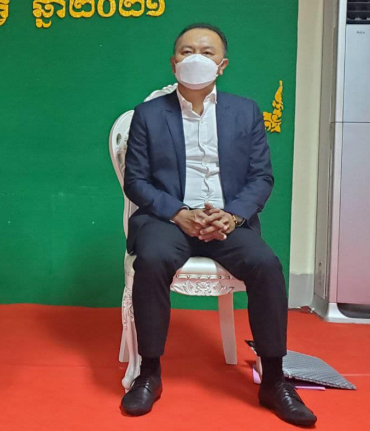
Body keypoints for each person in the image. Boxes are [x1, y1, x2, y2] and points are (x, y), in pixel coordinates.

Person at [120, 24, 317, 427]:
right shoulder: (148, 115)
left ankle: (274, 380)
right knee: (152, 260)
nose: (196, 57)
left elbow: (261, 177)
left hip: (229, 221)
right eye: (186, 50)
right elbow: (136, 181)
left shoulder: (245, 112)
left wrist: (233, 215)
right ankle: (149, 373)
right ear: (173, 62)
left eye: (207, 52)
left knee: (266, 265)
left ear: (222, 65)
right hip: (169, 220)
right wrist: (179, 213)